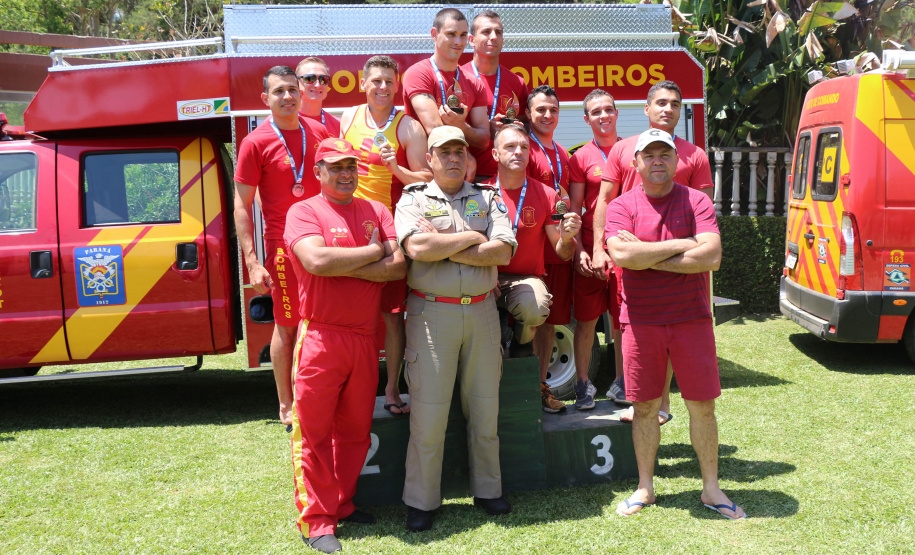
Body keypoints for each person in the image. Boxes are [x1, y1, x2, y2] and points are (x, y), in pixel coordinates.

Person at [605, 128, 744, 520]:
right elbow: (620, 254)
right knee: (645, 407)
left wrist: (644, 257)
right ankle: (645, 488)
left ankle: (711, 489)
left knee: (702, 406)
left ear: (676, 160)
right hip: (641, 321)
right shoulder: (621, 206)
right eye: (649, 155)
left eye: (664, 153)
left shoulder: (696, 200)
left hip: (691, 319)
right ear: (636, 163)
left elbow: (711, 256)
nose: (657, 161)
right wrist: (685, 243)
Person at [286, 138, 407, 553]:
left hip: (362, 337)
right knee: (314, 433)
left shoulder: (376, 210)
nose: (344, 174)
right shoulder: (303, 211)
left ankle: (341, 503)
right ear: (318, 172)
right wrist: (374, 252)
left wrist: (348, 262)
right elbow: (316, 261)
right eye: (335, 167)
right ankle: (317, 520)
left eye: (351, 166)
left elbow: (399, 267)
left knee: (355, 432)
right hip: (320, 335)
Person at [394, 126, 517, 532]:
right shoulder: (412, 199)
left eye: (458, 152)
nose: (452, 159)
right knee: (428, 416)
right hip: (432, 316)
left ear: (468, 158)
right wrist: (471, 236)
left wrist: (445, 241)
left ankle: (488, 490)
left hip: (482, 313)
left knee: (485, 409)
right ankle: (421, 501)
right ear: (429, 158)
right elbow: (416, 248)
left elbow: (502, 249)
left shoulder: (489, 196)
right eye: (443, 152)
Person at [591, 80, 714, 422]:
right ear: (646, 109)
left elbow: (706, 211)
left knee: (673, 328)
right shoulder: (622, 150)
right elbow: (604, 201)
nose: (667, 109)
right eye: (660, 103)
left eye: (675, 104)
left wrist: (684, 252)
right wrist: (600, 247)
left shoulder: (696, 155)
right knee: (628, 327)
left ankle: (662, 404)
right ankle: (638, 395)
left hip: (679, 266)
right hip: (631, 261)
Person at [234, 65, 329, 427]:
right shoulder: (255, 142)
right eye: (279, 91)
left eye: (293, 89)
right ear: (265, 99)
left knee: (322, 322)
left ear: (301, 92)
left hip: (321, 244)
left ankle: (318, 395)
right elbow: (242, 203)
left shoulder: (318, 132)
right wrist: (252, 261)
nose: (288, 96)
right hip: (281, 248)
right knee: (286, 325)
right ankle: (286, 404)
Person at [340, 55, 433, 415]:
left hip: (389, 230)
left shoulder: (407, 126)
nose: (382, 87)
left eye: (388, 82)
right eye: (375, 81)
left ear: (397, 86)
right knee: (350, 317)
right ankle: (350, 391)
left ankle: (392, 390)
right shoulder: (348, 118)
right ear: (363, 83)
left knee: (393, 317)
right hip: (348, 229)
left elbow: (427, 178)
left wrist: (395, 167)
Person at [486, 123, 581, 413]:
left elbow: (561, 252)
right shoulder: (480, 192)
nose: (518, 152)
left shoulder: (546, 194)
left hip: (526, 278)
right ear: (494, 153)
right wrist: (486, 276)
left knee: (538, 306)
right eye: (510, 147)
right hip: (485, 276)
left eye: (524, 147)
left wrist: (567, 239)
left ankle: (523, 347)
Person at [525, 85, 594, 411]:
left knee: (550, 322)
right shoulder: (523, 147)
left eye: (553, 110)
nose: (547, 115)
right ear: (528, 113)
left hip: (559, 250)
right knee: (526, 321)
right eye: (541, 109)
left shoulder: (565, 155)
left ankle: (540, 387)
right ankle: (520, 392)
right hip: (531, 250)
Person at [568, 89, 624, 410]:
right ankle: (582, 385)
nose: (604, 116)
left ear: (616, 113)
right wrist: (579, 252)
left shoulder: (632, 151)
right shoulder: (581, 158)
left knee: (621, 322)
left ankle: (621, 382)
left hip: (623, 252)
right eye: (596, 112)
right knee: (587, 322)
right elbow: (574, 210)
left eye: (608, 110)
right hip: (591, 254)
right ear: (586, 119)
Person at [401, 7, 490, 181]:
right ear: (434, 34)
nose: (458, 41)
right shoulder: (419, 73)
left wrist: (462, 127)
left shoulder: (474, 83)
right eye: (451, 34)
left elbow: (484, 140)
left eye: (463, 35)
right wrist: (466, 157)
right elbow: (433, 127)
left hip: (461, 179)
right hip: (427, 180)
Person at [462, 9, 529, 181]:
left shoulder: (517, 82)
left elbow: (527, 127)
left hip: (506, 177)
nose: (493, 37)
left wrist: (512, 128)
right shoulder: (458, 78)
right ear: (471, 40)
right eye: (486, 32)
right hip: (468, 176)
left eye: (498, 32)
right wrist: (484, 129)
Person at [296, 57, 341, 137]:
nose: (317, 85)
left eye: (323, 79)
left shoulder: (339, 125)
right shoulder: (284, 123)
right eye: (309, 78)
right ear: (296, 82)